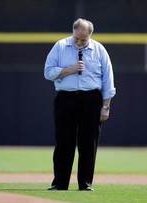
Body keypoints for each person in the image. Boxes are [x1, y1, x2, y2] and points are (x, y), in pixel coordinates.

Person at [44, 18, 116, 191]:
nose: (79, 42)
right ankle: (60, 183)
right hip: (66, 99)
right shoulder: (60, 46)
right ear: (73, 32)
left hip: (91, 100)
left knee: (88, 143)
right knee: (63, 142)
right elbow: (48, 72)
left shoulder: (99, 49)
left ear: (90, 35)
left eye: (84, 40)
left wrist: (105, 106)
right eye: (77, 38)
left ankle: (85, 184)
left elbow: (108, 81)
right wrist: (70, 69)